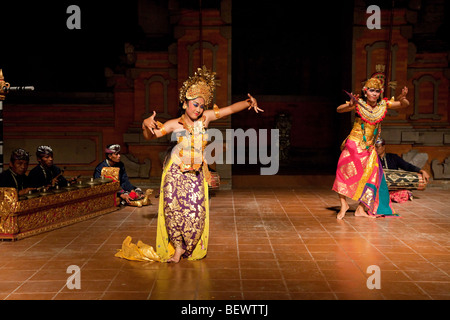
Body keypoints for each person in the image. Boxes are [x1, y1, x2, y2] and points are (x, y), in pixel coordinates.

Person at [142, 66, 263, 263]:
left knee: (195, 212)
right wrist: (145, 124)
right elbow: (150, 135)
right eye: (194, 105)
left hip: (196, 174)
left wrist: (249, 102)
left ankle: (189, 245)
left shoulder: (205, 119)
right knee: (173, 211)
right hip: (175, 172)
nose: (198, 109)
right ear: (184, 104)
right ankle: (178, 249)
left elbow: (230, 109)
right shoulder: (174, 124)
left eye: (201, 105)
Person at [332, 77, 409, 219]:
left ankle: (361, 209)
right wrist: (350, 105)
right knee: (343, 173)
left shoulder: (383, 105)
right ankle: (344, 204)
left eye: (377, 91)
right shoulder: (358, 104)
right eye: (372, 90)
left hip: (369, 148)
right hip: (354, 144)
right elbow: (339, 109)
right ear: (365, 92)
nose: (374, 93)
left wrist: (402, 98)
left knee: (371, 177)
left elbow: (404, 104)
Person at [375, 137, 430, 202]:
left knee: (403, 193)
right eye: (374, 147)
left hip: (393, 188)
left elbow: (406, 166)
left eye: (377, 147)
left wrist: (421, 171)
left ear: (384, 147)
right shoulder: (372, 160)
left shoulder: (393, 157)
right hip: (378, 187)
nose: (375, 149)